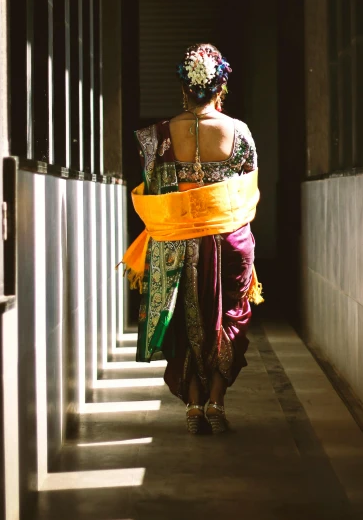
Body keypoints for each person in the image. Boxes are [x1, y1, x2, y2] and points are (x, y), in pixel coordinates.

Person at [122, 43, 262, 434]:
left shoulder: (157, 138)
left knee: (185, 320)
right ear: (221, 88)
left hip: (176, 243)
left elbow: (153, 189)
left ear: (184, 89)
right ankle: (218, 400)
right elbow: (247, 190)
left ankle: (195, 406)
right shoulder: (240, 133)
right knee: (227, 316)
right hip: (227, 240)